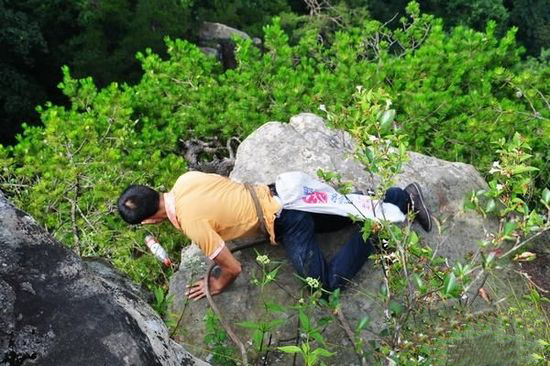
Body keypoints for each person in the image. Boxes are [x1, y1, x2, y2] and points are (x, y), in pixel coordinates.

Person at [117, 171, 431, 300]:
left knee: (323, 288)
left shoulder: (191, 223)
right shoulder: (185, 180)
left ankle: (376, 234)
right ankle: (399, 197)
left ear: (148, 222)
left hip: (287, 220)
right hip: (286, 192)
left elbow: (232, 268)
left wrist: (215, 283)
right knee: (345, 213)